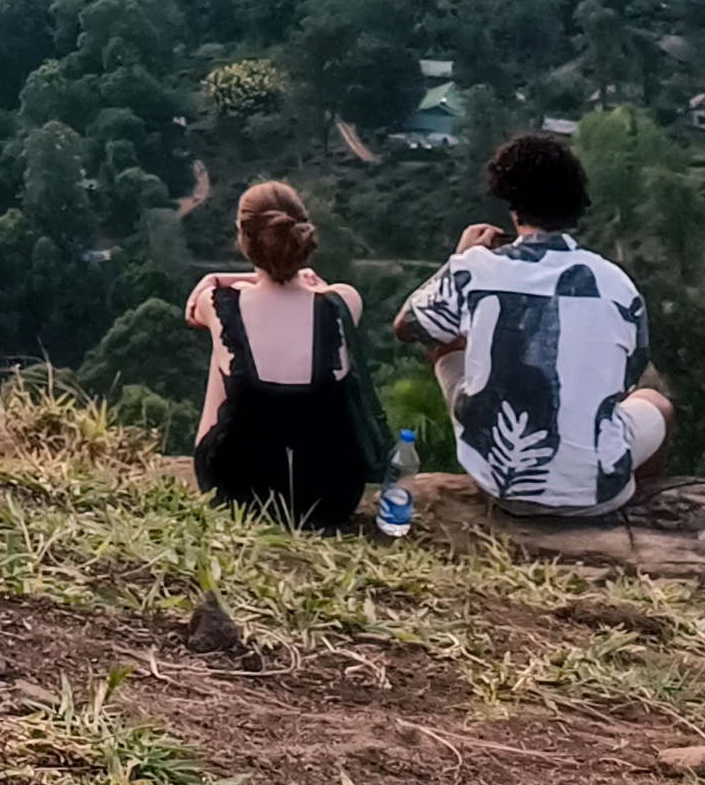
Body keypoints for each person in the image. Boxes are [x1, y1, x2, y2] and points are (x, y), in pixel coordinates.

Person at [394, 129, 672, 516]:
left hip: (497, 483)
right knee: (656, 403)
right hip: (595, 496)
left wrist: (458, 260)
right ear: (575, 204)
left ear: (511, 202)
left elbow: (407, 327)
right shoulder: (616, 284)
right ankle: (641, 510)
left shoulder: (474, 268)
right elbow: (628, 379)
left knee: (440, 334)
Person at [186, 179, 376, 528]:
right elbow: (309, 290)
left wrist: (218, 275)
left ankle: (213, 460)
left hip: (237, 492)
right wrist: (301, 277)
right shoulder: (343, 302)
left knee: (227, 348)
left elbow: (200, 304)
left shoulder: (216, 303)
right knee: (235, 344)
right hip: (330, 496)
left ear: (244, 240)